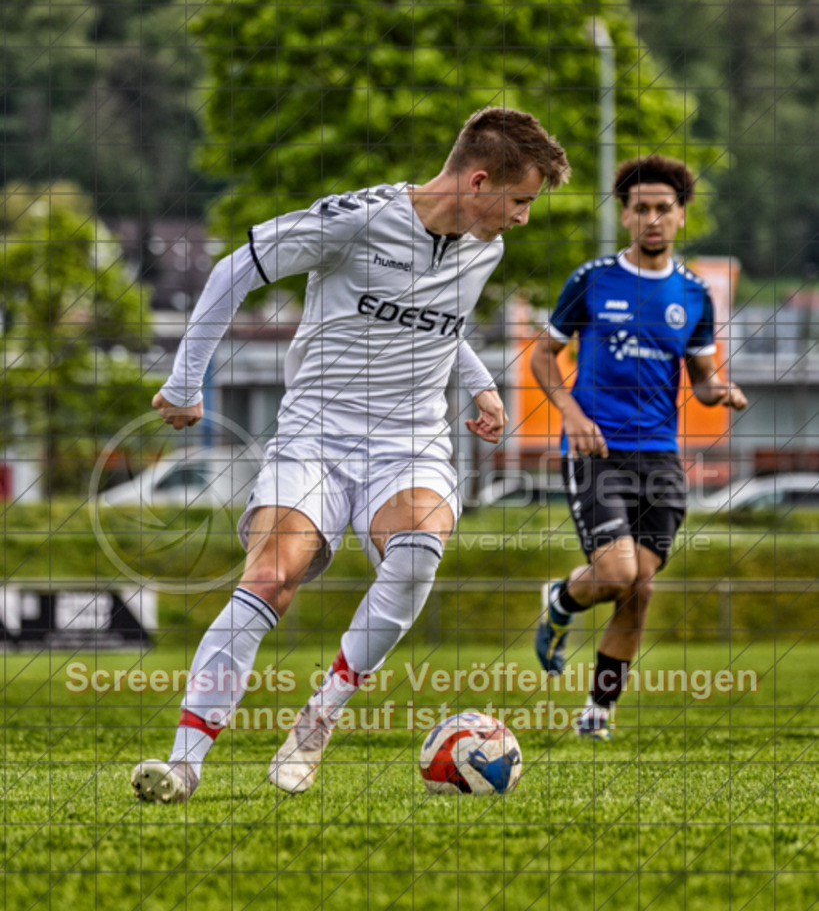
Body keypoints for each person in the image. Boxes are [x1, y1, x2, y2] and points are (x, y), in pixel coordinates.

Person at [131, 106, 571, 802]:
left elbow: (436, 322)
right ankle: (183, 765)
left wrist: (480, 384)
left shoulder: (484, 251)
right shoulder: (356, 221)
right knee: (270, 578)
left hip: (411, 443)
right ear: (480, 182)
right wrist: (185, 384)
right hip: (314, 434)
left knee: (417, 551)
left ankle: (318, 718)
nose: (522, 217)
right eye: (520, 200)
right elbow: (232, 272)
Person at [531, 154, 747, 741]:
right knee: (617, 572)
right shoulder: (592, 279)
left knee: (640, 587)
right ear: (625, 215)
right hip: (597, 448)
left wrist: (719, 391)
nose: (653, 218)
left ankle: (597, 712)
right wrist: (572, 415)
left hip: (660, 456)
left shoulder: (694, 293)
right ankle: (562, 601)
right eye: (641, 208)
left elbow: (701, 377)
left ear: (681, 215)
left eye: (663, 208)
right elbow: (543, 357)